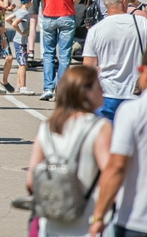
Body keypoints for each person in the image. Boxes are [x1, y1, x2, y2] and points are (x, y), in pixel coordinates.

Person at [89, 45, 147, 237]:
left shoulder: (133, 110)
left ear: (145, 72)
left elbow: (117, 166)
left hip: (137, 220)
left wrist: (99, 216)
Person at [27, 66, 112, 237]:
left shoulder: (47, 128)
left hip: (50, 224)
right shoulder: (99, 127)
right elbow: (110, 174)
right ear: (85, 92)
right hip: (86, 224)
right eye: (99, 86)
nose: (103, 91)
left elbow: (30, 181)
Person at [83, 0, 147, 122]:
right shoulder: (141, 23)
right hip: (135, 94)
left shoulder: (95, 30)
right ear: (124, 2)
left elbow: (87, 69)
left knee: (107, 139)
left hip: (106, 94)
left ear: (105, 4)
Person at [34, 0, 80, 101]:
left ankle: (48, 88)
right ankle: (61, 89)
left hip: (49, 14)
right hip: (66, 14)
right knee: (65, 54)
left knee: (48, 53)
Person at [6, 0, 36, 95]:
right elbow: (14, 23)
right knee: (23, 64)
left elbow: (7, 19)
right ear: (31, 2)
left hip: (17, 41)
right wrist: (21, 32)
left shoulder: (19, 11)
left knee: (21, 63)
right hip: (20, 41)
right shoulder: (25, 13)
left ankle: (19, 85)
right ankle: (23, 86)